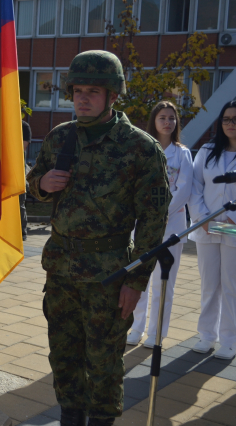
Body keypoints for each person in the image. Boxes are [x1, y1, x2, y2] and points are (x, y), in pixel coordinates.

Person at [26, 50, 170, 426]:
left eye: (93, 90)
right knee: (63, 358)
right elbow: (32, 189)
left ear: (113, 96)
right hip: (60, 271)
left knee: (104, 364)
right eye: (77, 91)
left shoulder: (140, 147)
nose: (83, 98)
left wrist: (136, 281)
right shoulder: (59, 138)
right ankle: (70, 418)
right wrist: (41, 184)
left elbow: (153, 221)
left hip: (109, 276)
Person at [127, 101, 193, 348]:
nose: (168, 122)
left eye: (172, 118)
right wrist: (148, 213)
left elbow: (184, 189)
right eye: (162, 118)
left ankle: (157, 333)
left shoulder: (183, 153)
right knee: (139, 278)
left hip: (171, 226)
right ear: (154, 121)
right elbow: (135, 185)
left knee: (164, 282)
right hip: (142, 225)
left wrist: (161, 212)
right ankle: (136, 328)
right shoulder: (143, 149)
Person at [188, 100, 236, 360]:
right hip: (207, 225)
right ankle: (207, 335)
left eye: (235, 119)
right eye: (226, 119)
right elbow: (194, 187)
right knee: (209, 284)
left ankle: (229, 340)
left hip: (234, 229)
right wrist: (203, 218)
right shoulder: (207, 150)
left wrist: (231, 221)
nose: (230, 124)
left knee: (231, 284)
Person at [20, 121, 32, 241]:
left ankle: (22, 232)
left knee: (19, 203)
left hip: (17, 171)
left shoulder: (24, 126)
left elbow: (22, 146)